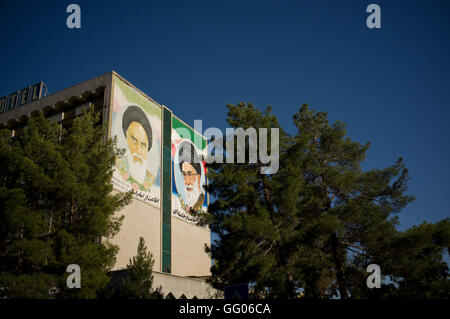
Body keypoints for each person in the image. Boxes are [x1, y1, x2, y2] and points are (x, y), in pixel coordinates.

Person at [116, 105, 155, 191]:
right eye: (134, 141)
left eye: (143, 145)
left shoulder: (150, 179)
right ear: (126, 138)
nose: (138, 150)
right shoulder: (117, 164)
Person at [178, 141, 205, 213]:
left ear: (198, 177)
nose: (187, 182)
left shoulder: (202, 200)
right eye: (184, 174)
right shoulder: (186, 202)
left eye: (190, 174)